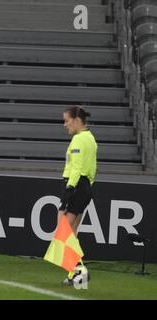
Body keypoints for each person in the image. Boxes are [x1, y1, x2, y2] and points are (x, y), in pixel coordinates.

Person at [59, 106, 97, 285]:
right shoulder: (91, 138)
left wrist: (70, 188)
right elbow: (92, 169)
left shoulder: (78, 140)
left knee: (63, 232)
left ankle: (79, 272)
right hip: (86, 187)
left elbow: (77, 167)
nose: (65, 124)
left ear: (76, 120)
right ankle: (75, 275)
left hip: (75, 186)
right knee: (71, 233)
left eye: (66, 120)